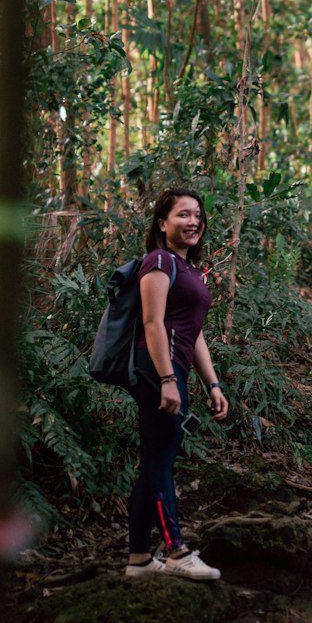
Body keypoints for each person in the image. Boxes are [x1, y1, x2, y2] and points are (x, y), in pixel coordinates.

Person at [125, 188, 229, 579]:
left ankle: (138, 557)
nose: (193, 222)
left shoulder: (188, 269)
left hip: (176, 371)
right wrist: (167, 378)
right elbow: (153, 324)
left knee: (156, 460)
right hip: (158, 370)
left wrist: (213, 384)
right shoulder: (158, 262)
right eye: (183, 215)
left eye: (197, 215)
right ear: (162, 224)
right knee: (160, 460)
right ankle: (175, 551)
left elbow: (195, 333)